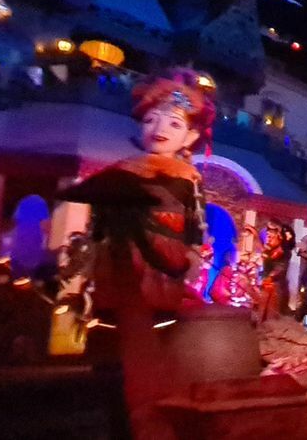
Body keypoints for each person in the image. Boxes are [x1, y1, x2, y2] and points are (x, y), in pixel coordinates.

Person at [58, 67, 216, 438]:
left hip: (162, 272)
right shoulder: (121, 172)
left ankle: (146, 414)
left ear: (191, 135)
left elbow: (195, 224)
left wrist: (192, 255)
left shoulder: (188, 178)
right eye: (150, 119)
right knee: (113, 347)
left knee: (154, 343)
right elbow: (98, 224)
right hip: (116, 268)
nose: (160, 128)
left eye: (174, 123)